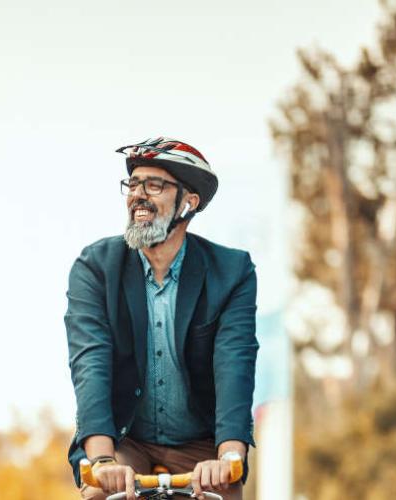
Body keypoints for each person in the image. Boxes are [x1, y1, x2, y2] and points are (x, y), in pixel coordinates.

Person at [66, 137, 258, 500]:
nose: (138, 194)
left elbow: (236, 363)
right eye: (133, 184)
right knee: (98, 496)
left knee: (225, 495)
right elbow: (89, 363)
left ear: (189, 201)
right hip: (126, 438)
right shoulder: (95, 268)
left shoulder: (232, 272)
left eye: (154, 185)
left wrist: (229, 454)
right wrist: (103, 459)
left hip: (200, 441)